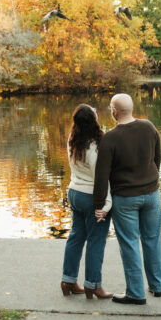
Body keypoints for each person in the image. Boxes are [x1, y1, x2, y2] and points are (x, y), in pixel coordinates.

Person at [93, 93, 161, 305]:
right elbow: (157, 158)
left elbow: (101, 176)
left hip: (125, 199)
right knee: (152, 239)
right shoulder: (149, 127)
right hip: (152, 194)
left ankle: (135, 293)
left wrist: (99, 205)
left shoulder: (110, 138)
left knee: (130, 243)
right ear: (131, 108)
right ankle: (157, 286)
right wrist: (151, 181)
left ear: (114, 111)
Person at [60, 104, 114, 299]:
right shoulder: (94, 146)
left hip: (74, 192)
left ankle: (68, 280)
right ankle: (93, 285)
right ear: (94, 121)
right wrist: (106, 204)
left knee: (76, 237)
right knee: (96, 241)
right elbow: (100, 178)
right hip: (90, 196)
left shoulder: (73, 139)